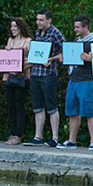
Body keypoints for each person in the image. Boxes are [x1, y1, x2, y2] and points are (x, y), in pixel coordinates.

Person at [57, 15, 93, 150]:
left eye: (77, 27)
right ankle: (72, 140)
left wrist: (90, 58)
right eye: (75, 27)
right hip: (74, 80)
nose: (75, 29)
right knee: (72, 112)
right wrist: (64, 59)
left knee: (89, 112)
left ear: (85, 27)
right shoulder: (75, 42)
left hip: (87, 81)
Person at [24, 10, 65, 148]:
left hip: (48, 74)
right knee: (37, 106)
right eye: (37, 20)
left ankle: (55, 137)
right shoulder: (37, 33)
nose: (38, 22)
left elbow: (66, 50)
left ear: (49, 20)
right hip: (36, 73)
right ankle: (38, 136)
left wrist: (52, 59)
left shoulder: (55, 33)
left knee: (51, 106)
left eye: (41, 20)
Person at [3, 18, 32, 145]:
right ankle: (12, 132)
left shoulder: (28, 41)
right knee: (11, 106)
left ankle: (18, 134)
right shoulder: (11, 40)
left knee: (20, 106)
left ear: (21, 27)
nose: (12, 29)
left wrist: (21, 67)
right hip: (10, 77)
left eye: (15, 26)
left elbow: (32, 60)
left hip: (22, 77)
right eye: (11, 26)